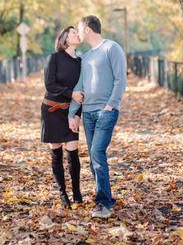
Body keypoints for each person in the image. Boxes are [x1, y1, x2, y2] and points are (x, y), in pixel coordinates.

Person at [68, 15, 126, 218]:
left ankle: (104, 204)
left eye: (79, 29)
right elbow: (80, 87)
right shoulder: (86, 56)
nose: (78, 32)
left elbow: (120, 79)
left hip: (106, 112)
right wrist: (72, 113)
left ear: (88, 29)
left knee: (97, 153)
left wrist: (112, 105)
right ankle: (105, 196)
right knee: (94, 159)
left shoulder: (112, 48)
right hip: (88, 114)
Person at [41, 26, 83, 209]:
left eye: (77, 32)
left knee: (73, 152)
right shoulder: (54, 58)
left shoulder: (81, 62)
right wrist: (70, 94)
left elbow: (81, 92)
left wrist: (77, 115)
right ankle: (62, 194)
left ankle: (77, 193)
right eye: (73, 32)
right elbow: (50, 85)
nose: (77, 34)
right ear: (65, 38)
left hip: (70, 111)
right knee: (56, 152)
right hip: (52, 111)